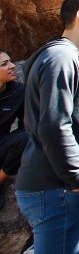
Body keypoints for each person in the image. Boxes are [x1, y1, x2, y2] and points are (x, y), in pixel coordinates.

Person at [15, 0, 79, 254]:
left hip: (54, 186)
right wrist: (77, 181)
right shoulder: (61, 58)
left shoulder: (61, 55)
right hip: (55, 188)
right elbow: (54, 126)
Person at [0, 49, 27, 210]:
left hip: (2, 145)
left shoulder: (18, 91)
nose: (12, 66)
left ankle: (2, 177)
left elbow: (27, 126)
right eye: (4, 64)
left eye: (10, 61)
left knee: (28, 136)